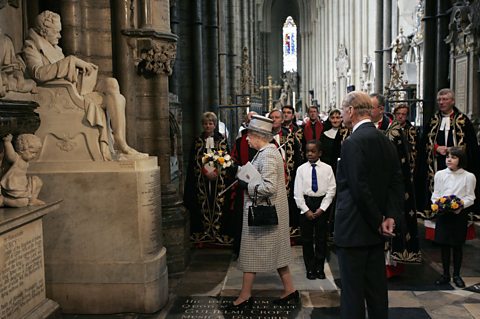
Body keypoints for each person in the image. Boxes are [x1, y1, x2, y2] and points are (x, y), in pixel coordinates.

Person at [22, 10, 145, 159]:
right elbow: (38, 73)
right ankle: (120, 143)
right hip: (59, 96)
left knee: (112, 85)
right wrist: (71, 61)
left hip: (73, 90)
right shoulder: (31, 46)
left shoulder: (56, 49)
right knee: (115, 100)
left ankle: (120, 140)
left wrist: (81, 72)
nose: (60, 36)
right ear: (44, 31)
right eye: (56, 32)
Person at [334, 91, 403, 319]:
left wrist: (377, 220)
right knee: (376, 291)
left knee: (352, 294)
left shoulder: (352, 142)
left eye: (343, 109)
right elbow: (396, 181)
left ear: (351, 111)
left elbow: (358, 188)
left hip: (355, 228)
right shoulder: (385, 140)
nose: (342, 114)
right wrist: (389, 216)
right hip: (377, 230)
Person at [229, 114, 298, 310]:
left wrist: (246, 185)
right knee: (278, 253)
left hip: (264, 213)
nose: (247, 139)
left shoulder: (267, 154)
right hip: (272, 213)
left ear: (258, 135)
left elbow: (268, 188)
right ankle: (290, 290)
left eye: (249, 135)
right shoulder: (266, 152)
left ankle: (244, 296)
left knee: (250, 254)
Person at [417, 88, 480, 226]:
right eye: (439, 100)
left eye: (445, 99)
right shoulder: (433, 120)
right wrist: (435, 148)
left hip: (458, 166)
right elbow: (424, 142)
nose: (441, 102)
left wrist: (456, 151)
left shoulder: (463, 120)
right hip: (437, 164)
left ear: (452, 101)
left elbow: (472, 146)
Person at [184, 112, 233, 246]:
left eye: (210, 123)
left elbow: (226, 160)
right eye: (205, 123)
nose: (208, 126)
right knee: (203, 203)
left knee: (217, 202)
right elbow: (194, 161)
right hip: (201, 179)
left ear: (215, 125)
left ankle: (218, 232)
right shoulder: (198, 141)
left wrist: (216, 171)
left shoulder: (221, 140)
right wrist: (204, 170)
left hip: (218, 179)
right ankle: (205, 232)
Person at [384, 104, 422, 276]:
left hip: (401, 177)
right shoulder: (388, 129)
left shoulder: (404, 131)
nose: (401, 117)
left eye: (404, 114)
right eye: (398, 114)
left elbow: (412, 153)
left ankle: (396, 262)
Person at [431, 147, 476, 288]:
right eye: (448, 157)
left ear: (460, 160)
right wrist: (438, 204)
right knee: (444, 245)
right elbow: (436, 194)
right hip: (443, 214)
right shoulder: (439, 174)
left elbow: (471, 196)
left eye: (453, 157)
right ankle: (445, 274)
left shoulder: (468, 176)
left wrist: (461, 204)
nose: (449, 159)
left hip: (459, 215)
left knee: (457, 246)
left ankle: (456, 275)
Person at [294, 140, 336, 280]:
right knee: (306, 239)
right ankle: (310, 268)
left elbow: (331, 190)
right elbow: (297, 192)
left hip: (321, 205)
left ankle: (319, 268)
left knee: (321, 239)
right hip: (306, 204)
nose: (309, 154)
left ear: (320, 153)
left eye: (313, 151)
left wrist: (322, 208)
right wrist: (306, 210)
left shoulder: (327, 168)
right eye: (307, 151)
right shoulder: (301, 169)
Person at [269, 109, 303, 239]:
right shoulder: (265, 136)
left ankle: (288, 229)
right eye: (271, 117)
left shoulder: (289, 136)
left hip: (288, 175)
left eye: (277, 117)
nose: (274, 119)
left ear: (282, 120)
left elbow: (298, 156)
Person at [0, 134, 44, 207]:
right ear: (22, 149)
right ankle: (3, 200)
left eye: (36, 153)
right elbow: (10, 156)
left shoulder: (25, 161)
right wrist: (7, 142)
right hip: (13, 186)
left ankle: (32, 200)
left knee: (38, 181)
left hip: (23, 184)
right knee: (22, 202)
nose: (34, 155)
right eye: (32, 152)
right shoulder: (16, 158)